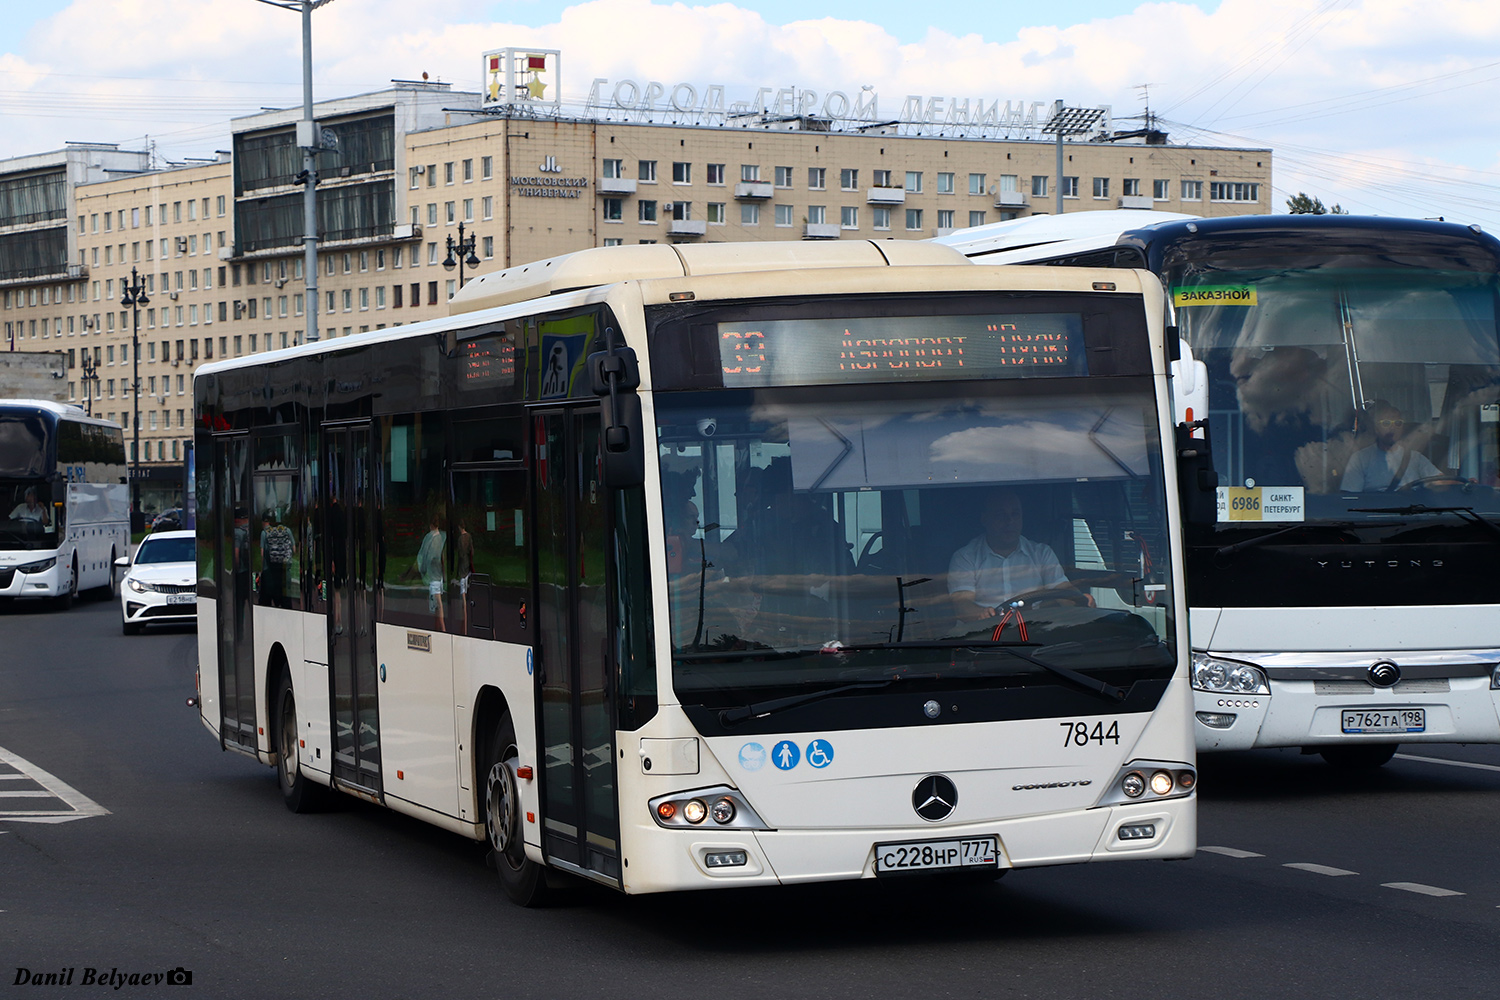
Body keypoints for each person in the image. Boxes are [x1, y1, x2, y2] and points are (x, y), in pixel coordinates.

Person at [948, 490, 1078, 618]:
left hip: (1032, 632)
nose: (1009, 521)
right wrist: (981, 614)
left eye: (1015, 514)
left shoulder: (1042, 553)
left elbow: (1062, 589)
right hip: (982, 633)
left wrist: (1078, 600)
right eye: (1000, 515)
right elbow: (962, 604)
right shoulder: (965, 557)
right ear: (985, 519)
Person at [1340, 402, 1443, 492]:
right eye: (1386, 423)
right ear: (1376, 428)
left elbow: (1442, 482)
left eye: (1398, 423)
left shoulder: (1415, 458)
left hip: (1412, 511)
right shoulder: (1360, 458)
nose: (1392, 427)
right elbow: (1351, 499)